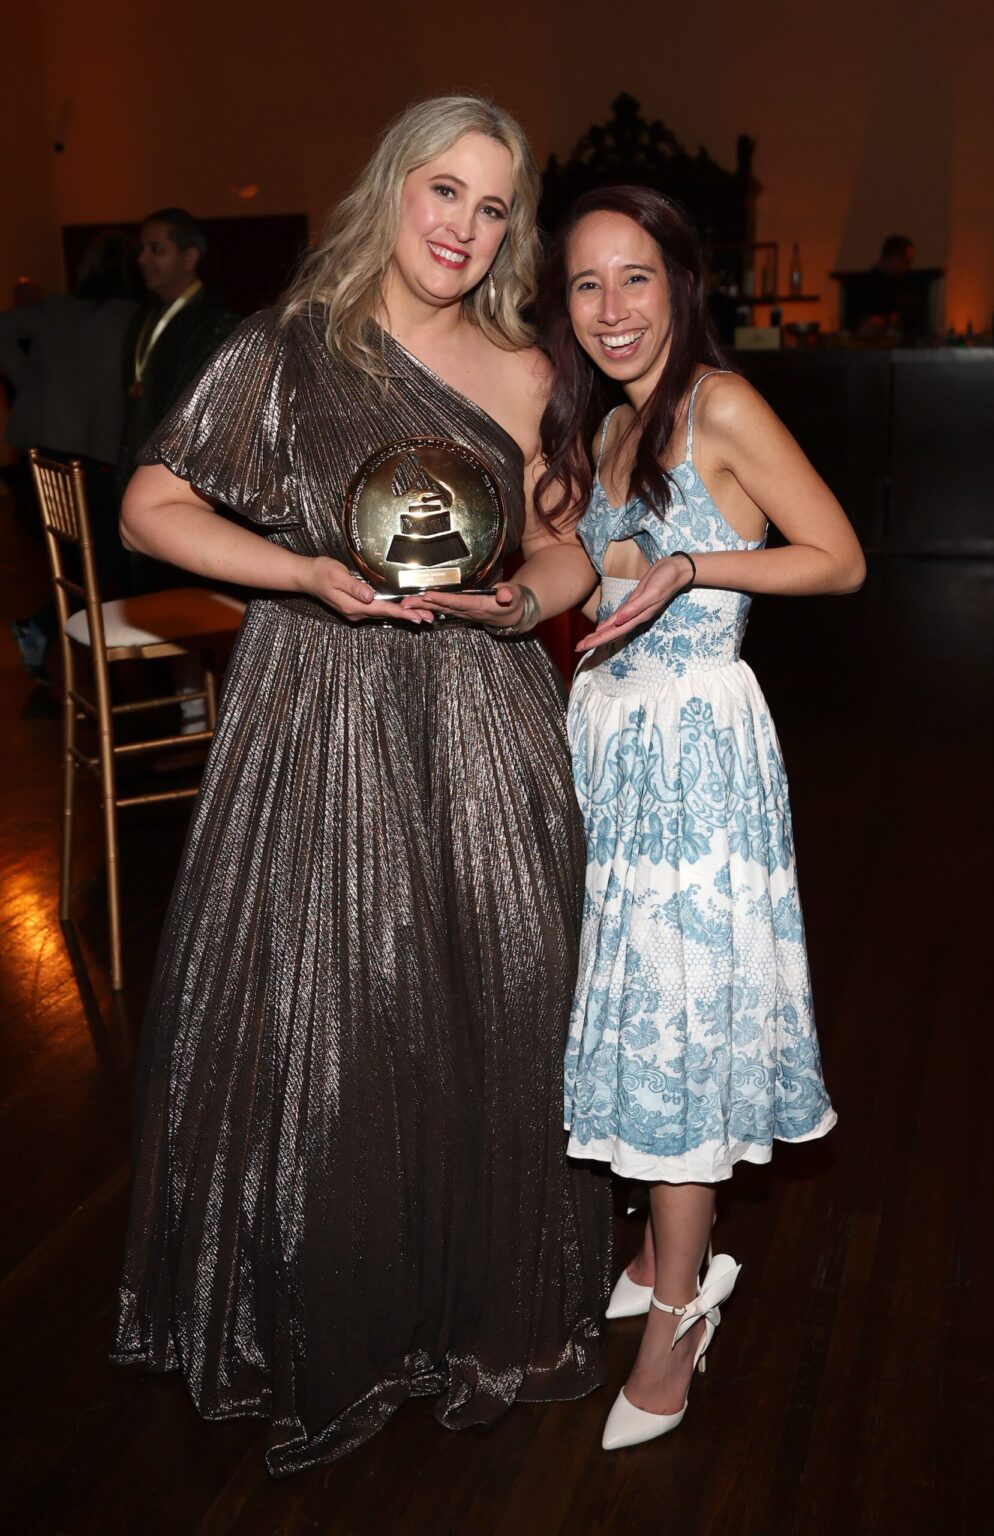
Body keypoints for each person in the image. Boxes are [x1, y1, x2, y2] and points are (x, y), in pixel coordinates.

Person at [112, 95, 611, 1475]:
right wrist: (300, 572)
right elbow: (151, 504)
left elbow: (568, 547)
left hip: (482, 715)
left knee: (499, 999)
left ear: (512, 232)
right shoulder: (288, 347)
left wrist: (524, 603)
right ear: (393, 189)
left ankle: (477, 1308)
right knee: (326, 1011)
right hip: (316, 709)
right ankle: (334, 1314)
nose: (464, 226)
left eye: (494, 207)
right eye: (444, 190)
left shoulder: (525, 365)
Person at [534, 185, 865, 1451]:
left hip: (694, 759)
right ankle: (665, 1251)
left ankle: (682, 1312)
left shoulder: (720, 404)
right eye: (585, 282)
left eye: (635, 277)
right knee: (632, 1004)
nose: (611, 306)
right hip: (613, 746)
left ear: (679, 283)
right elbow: (586, 566)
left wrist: (689, 567)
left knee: (675, 1023)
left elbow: (836, 557)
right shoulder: (615, 422)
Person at [0, 232, 140, 671]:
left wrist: (28, 385)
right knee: (108, 555)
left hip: (50, 451)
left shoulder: (56, 310)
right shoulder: (133, 317)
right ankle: (77, 638)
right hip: (96, 457)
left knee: (85, 555)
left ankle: (55, 632)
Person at [118, 207, 238, 589]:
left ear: (189, 257)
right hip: (139, 472)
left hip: (183, 490)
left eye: (156, 249)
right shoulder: (146, 315)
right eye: (142, 249)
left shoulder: (216, 321)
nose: (143, 259)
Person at [843, 234, 923, 339]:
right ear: (894, 257)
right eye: (906, 262)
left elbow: (913, 320)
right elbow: (853, 322)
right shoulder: (862, 285)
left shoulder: (908, 285)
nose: (906, 268)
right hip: (870, 345)